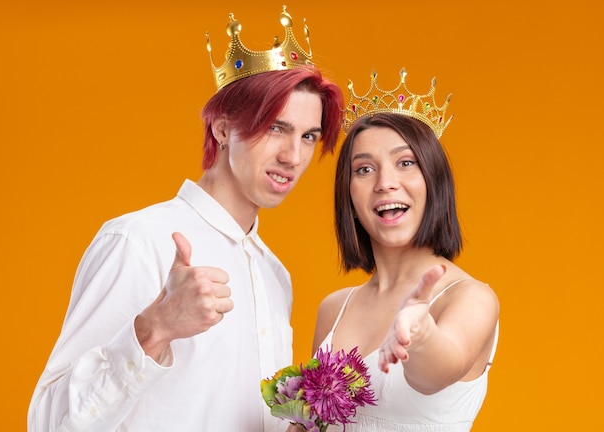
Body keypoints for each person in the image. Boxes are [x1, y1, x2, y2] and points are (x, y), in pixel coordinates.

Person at [28, 6, 344, 432]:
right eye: (274, 128)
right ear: (221, 128)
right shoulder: (138, 241)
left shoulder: (276, 276)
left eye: (308, 136)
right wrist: (154, 329)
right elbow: (48, 421)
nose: (293, 156)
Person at [306, 69, 499, 431]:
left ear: (433, 179)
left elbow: (436, 372)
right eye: (364, 169)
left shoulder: (470, 298)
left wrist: (420, 333)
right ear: (348, 193)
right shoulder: (333, 309)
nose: (385, 183)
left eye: (405, 162)